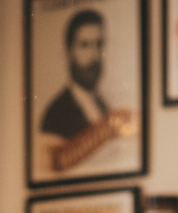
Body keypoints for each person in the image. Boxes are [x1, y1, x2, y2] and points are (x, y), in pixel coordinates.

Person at [38, 8, 135, 173]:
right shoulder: (55, 114)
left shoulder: (104, 105)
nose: (94, 55)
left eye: (99, 45)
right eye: (85, 45)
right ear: (69, 53)